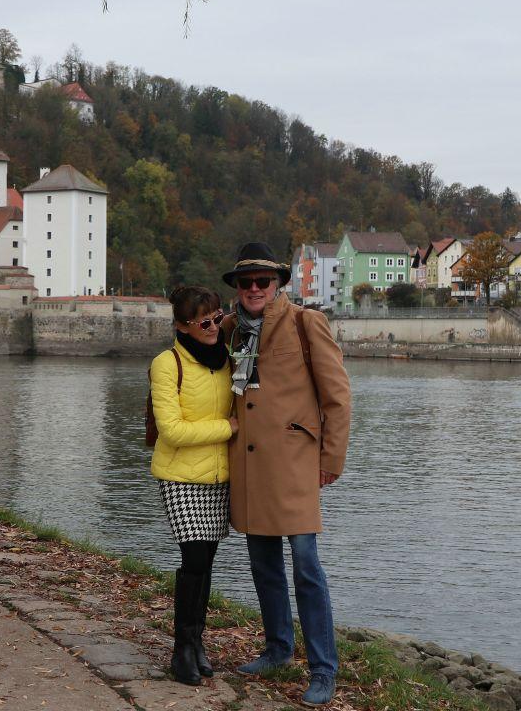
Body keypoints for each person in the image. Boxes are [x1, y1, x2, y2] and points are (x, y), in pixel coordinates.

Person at [221, 242, 351, 707]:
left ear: (277, 284)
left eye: (263, 281)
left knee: (306, 566)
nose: (254, 289)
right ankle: (277, 649)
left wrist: (331, 459)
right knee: (263, 565)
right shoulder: (229, 329)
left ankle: (323, 668)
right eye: (246, 282)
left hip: (296, 463)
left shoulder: (304, 322)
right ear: (237, 287)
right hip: (249, 464)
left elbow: (337, 395)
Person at [150, 285, 239, 686]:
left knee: (207, 562)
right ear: (182, 326)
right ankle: (182, 648)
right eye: (204, 322)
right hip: (180, 476)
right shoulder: (167, 364)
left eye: (217, 318)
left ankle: (197, 641)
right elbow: (171, 430)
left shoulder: (229, 360)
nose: (213, 327)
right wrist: (228, 428)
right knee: (195, 560)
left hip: (219, 476)